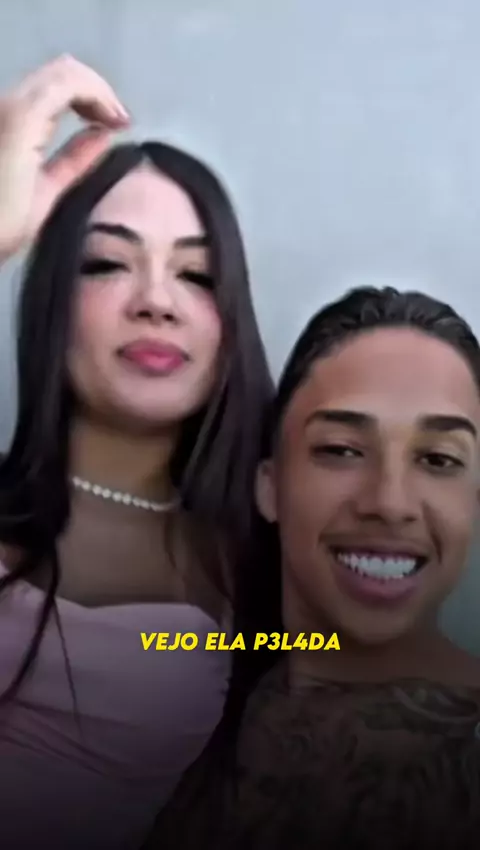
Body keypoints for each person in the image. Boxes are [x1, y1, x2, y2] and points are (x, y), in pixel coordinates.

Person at [0, 55, 274, 849]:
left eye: (197, 274)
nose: (156, 300)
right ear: (50, 299)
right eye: (108, 263)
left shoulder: (260, 561)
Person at [144, 286, 480, 849]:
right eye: (342, 450)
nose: (389, 502)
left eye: (438, 459)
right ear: (270, 486)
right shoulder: (195, 689)